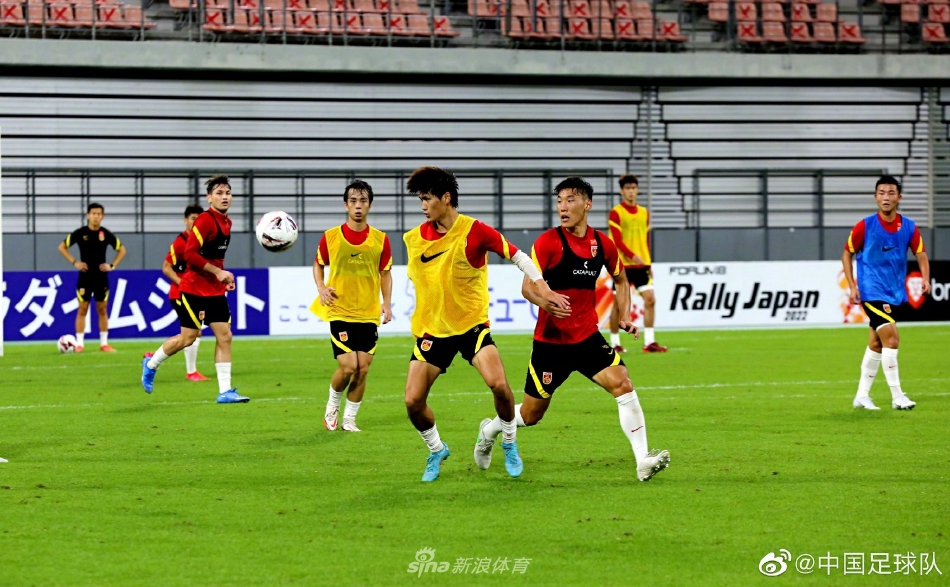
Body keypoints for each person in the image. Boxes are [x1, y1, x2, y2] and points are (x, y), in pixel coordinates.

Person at [474, 177, 670, 482]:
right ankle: (490, 429)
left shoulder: (602, 244)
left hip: (587, 338)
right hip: (551, 345)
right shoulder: (548, 242)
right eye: (559, 201)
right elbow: (527, 287)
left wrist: (623, 315)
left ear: (587, 204)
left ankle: (642, 460)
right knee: (530, 415)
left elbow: (620, 279)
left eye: (570, 200)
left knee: (623, 384)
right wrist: (546, 302)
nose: (563, 207)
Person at [402, 167, 570, 482]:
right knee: (412, 401)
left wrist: (544, 289)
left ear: (446, 198)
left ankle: (508, 442)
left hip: (472, 327)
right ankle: (437, 449)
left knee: (500, 386)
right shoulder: (413, 239)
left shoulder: (475, 231)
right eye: (420, 199)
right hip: (433, 330)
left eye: (427, 199)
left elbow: (519, 257)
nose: (423, 206)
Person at [141, 175, 249, 404]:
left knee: (225, 336)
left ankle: (225, 391)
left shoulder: (227, 222)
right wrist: (217, 272)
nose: (225, 197)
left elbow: (216, 258)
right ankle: (151, 364)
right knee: (187, 338)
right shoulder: (205, 220)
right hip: (194, 290)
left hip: (215, 290)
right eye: (219, 193)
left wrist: (223, 277)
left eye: (228, 193)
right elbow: (190, 254)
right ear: (209, 198)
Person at [311, 180, 394, 432]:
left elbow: (385, 273)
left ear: (369, 205)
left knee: (362, 369)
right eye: (354, 201)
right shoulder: (331, 237)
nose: (358, 206)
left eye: (363, 201)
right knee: (348, 366)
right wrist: (321, 288)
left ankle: (349, 419)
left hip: (367, 312)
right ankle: (332, 407)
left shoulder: (381, 239)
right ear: (346, 205)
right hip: (340, 309)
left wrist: (386, 304)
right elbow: (318, 264)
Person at [842, 175, 929, 411]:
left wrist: (925, 277)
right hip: (871, 290)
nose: (886, 197)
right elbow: (847, 253)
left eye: (891, 193)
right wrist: (852, 285)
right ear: (875, 197)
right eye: (881, 193)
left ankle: (861, 396)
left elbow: (921, 254)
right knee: (892, 338)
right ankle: (897, 396)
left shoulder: (909, 227)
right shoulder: (865, 226)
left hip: (893, 291)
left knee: (877, 344)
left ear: (899, 197)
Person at [144, 205, 210, 382]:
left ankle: (154, 356)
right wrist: (182, 282)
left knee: (189, 334)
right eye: (193, 218)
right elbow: (166, 268)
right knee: (194, 332)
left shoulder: (203, 241)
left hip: (195, 293)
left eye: (199, 219)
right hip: (180, 294)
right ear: (185, 220)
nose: (195, 222)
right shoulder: (180, 243)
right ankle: (191, 372)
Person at [607, 174, 667, 354]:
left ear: (637, 190)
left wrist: (648, 264)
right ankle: (614, 344)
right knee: (618, 305)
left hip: (641, 266)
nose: (631, 191)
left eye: (633, 188)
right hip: (622, 266)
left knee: (650, 300)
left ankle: (649, 343)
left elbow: (645, 240)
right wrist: (633, 256)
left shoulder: (644, 213)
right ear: (622, 191)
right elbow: (617, 241)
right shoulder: (616, 213)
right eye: (627, 188)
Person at [57, 203, 126, 352]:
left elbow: (122, 250)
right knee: (82, 309)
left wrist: (112, 265)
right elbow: (62, 247)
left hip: (101, 277)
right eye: (93, 214)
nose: (96, 216)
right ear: (88, 215)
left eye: (99, 214)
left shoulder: (105, 234)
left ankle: (104, 344)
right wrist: (75, 262)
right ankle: (80, 344)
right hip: (85, 277)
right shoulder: (80, 233)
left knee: (102, 309)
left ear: (102, 216)